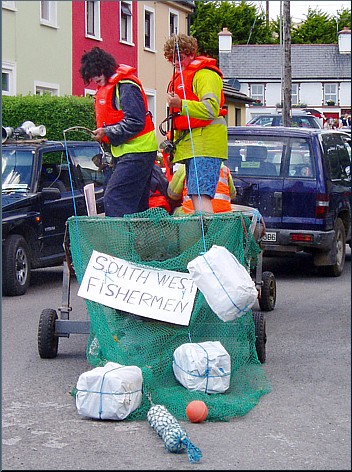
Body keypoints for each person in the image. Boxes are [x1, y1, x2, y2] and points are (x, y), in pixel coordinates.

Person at [79, 47, 158, 217]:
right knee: (136, 204)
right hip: (131, 152)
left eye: (96, 74)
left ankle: (121, 241)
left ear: (105, 68)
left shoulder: (125, 86)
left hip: (138, 151)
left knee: (115, 197)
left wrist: (107, 131)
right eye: (91, 76)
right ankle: (138, 241)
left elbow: (136, 121)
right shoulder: (114, 86)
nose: (94, 78)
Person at [163, 33, 228, 214]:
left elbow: (211, 108)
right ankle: (205, 239)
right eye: (172, 60)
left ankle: (207, 240)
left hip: (206, 145)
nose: (176, 63)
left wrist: (180, 104)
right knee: (196, 194)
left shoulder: (205, 74)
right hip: (195, 146)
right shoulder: (184, 77)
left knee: (200, 195)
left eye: (180, 58)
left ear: (191, 54)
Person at [167, 162, 236, 215]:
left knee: (175, 211)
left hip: (190, 213)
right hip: (225, 214)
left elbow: (173, 194)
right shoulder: (225, 169)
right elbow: (232, 195)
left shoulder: (185, 168)